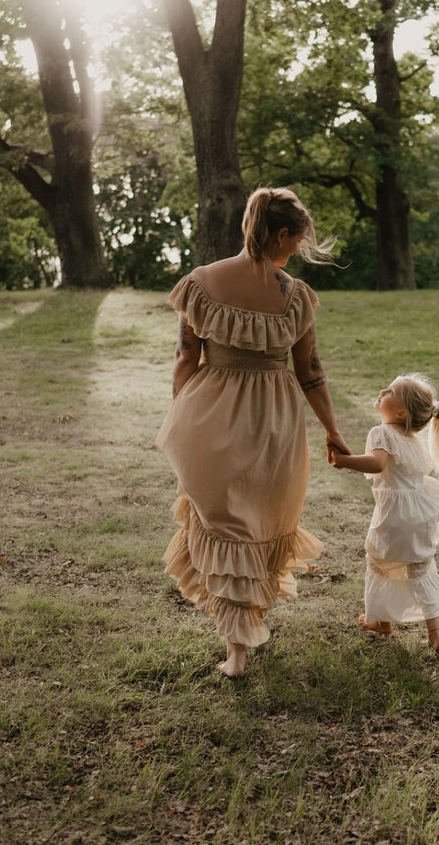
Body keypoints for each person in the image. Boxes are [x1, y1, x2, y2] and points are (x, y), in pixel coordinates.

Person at [157, 187, 350, 678]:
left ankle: (236, 651)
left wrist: (181, 412)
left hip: (213, 414)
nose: (296, 251)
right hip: (275, 422)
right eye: (296, 241)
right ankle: (241, 644)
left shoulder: (200, 283)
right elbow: (311, 372)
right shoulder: (295, 297)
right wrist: (332, 430)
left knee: (226, 525)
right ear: (281, 234)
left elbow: (186, 358)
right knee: (257, 524)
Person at [327, 373, 439, 653]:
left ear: (400, 412)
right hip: (420, 514)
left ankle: (381, 622)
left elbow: (376, 464)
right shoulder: (413, 439)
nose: (382, 390)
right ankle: (435, 635)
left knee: (378, 562)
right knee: (420, 567)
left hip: (394, 516)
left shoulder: (381, 432)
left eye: (390, 391)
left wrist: (344, 461)